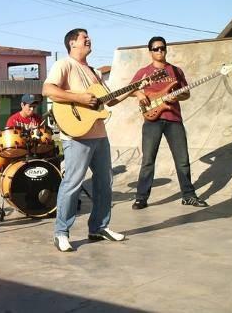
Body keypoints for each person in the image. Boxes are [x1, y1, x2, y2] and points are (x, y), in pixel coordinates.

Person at [43, 28, 131, 252]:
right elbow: (48, 89)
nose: (89, 39)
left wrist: (135, 88)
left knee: (105, 183)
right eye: (84, 37)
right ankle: (61, 232)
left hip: (100, 135)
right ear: (73, 43)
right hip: (77, 136)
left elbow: (109, 100)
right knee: (72, 183)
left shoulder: (94, 72)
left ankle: (99, 227)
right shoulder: (64, 65)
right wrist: (79, 97)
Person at [130, 36, 208, 210]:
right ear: (150, 51)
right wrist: (139, 94)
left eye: (162, 48)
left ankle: (188, 196)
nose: (160, 51)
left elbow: (186, 94)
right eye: (156, 48)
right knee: (148, 161)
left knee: (182, 160)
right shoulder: (144, 71)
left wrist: (177, 95)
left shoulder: (176, 71)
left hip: (174, 119)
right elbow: (130, 89)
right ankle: (141, 198)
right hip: (152, 119)